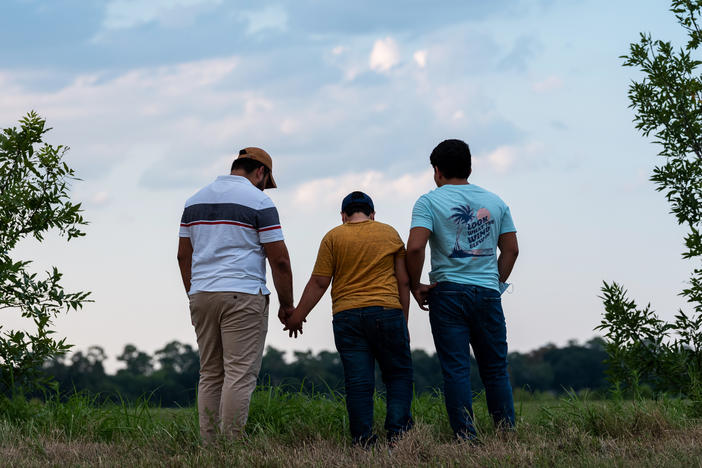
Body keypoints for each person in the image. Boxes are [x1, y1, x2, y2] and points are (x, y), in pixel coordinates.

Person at [176, 147, 294, 443]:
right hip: (243, 293)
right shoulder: (259, 201)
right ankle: (231, 446)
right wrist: (286, 304)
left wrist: (194, 292)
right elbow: (279, 260)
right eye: (266, 180)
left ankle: (210, 445)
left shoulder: (194, 201)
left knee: (211, 373)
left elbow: (182, 256)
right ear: (261, 172)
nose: (265, 186)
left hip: (202, 293)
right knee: (239, 374)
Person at [406, 139, 519, 441]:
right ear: (470, 167)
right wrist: (494, 284)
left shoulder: (428, 202)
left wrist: (415, 284)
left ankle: (465, 437)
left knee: (456, 369)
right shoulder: (496, 201)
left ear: (437, 171)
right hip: (486, 294)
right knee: (495, 368)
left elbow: (416, 246)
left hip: (447, 293)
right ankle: (506, 433)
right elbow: (511, 250)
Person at [284, 191, 414, 447]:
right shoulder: (389, 233)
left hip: (347, 316)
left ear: (343, 216)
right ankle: (398, 436)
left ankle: (363, 441)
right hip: (387, 312)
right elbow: (404, 280)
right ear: (372, 214)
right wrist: (403, 321)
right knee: (398, 375)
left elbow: (320, 282)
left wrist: (297, 316)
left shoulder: (333, 236)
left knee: (358, 381)